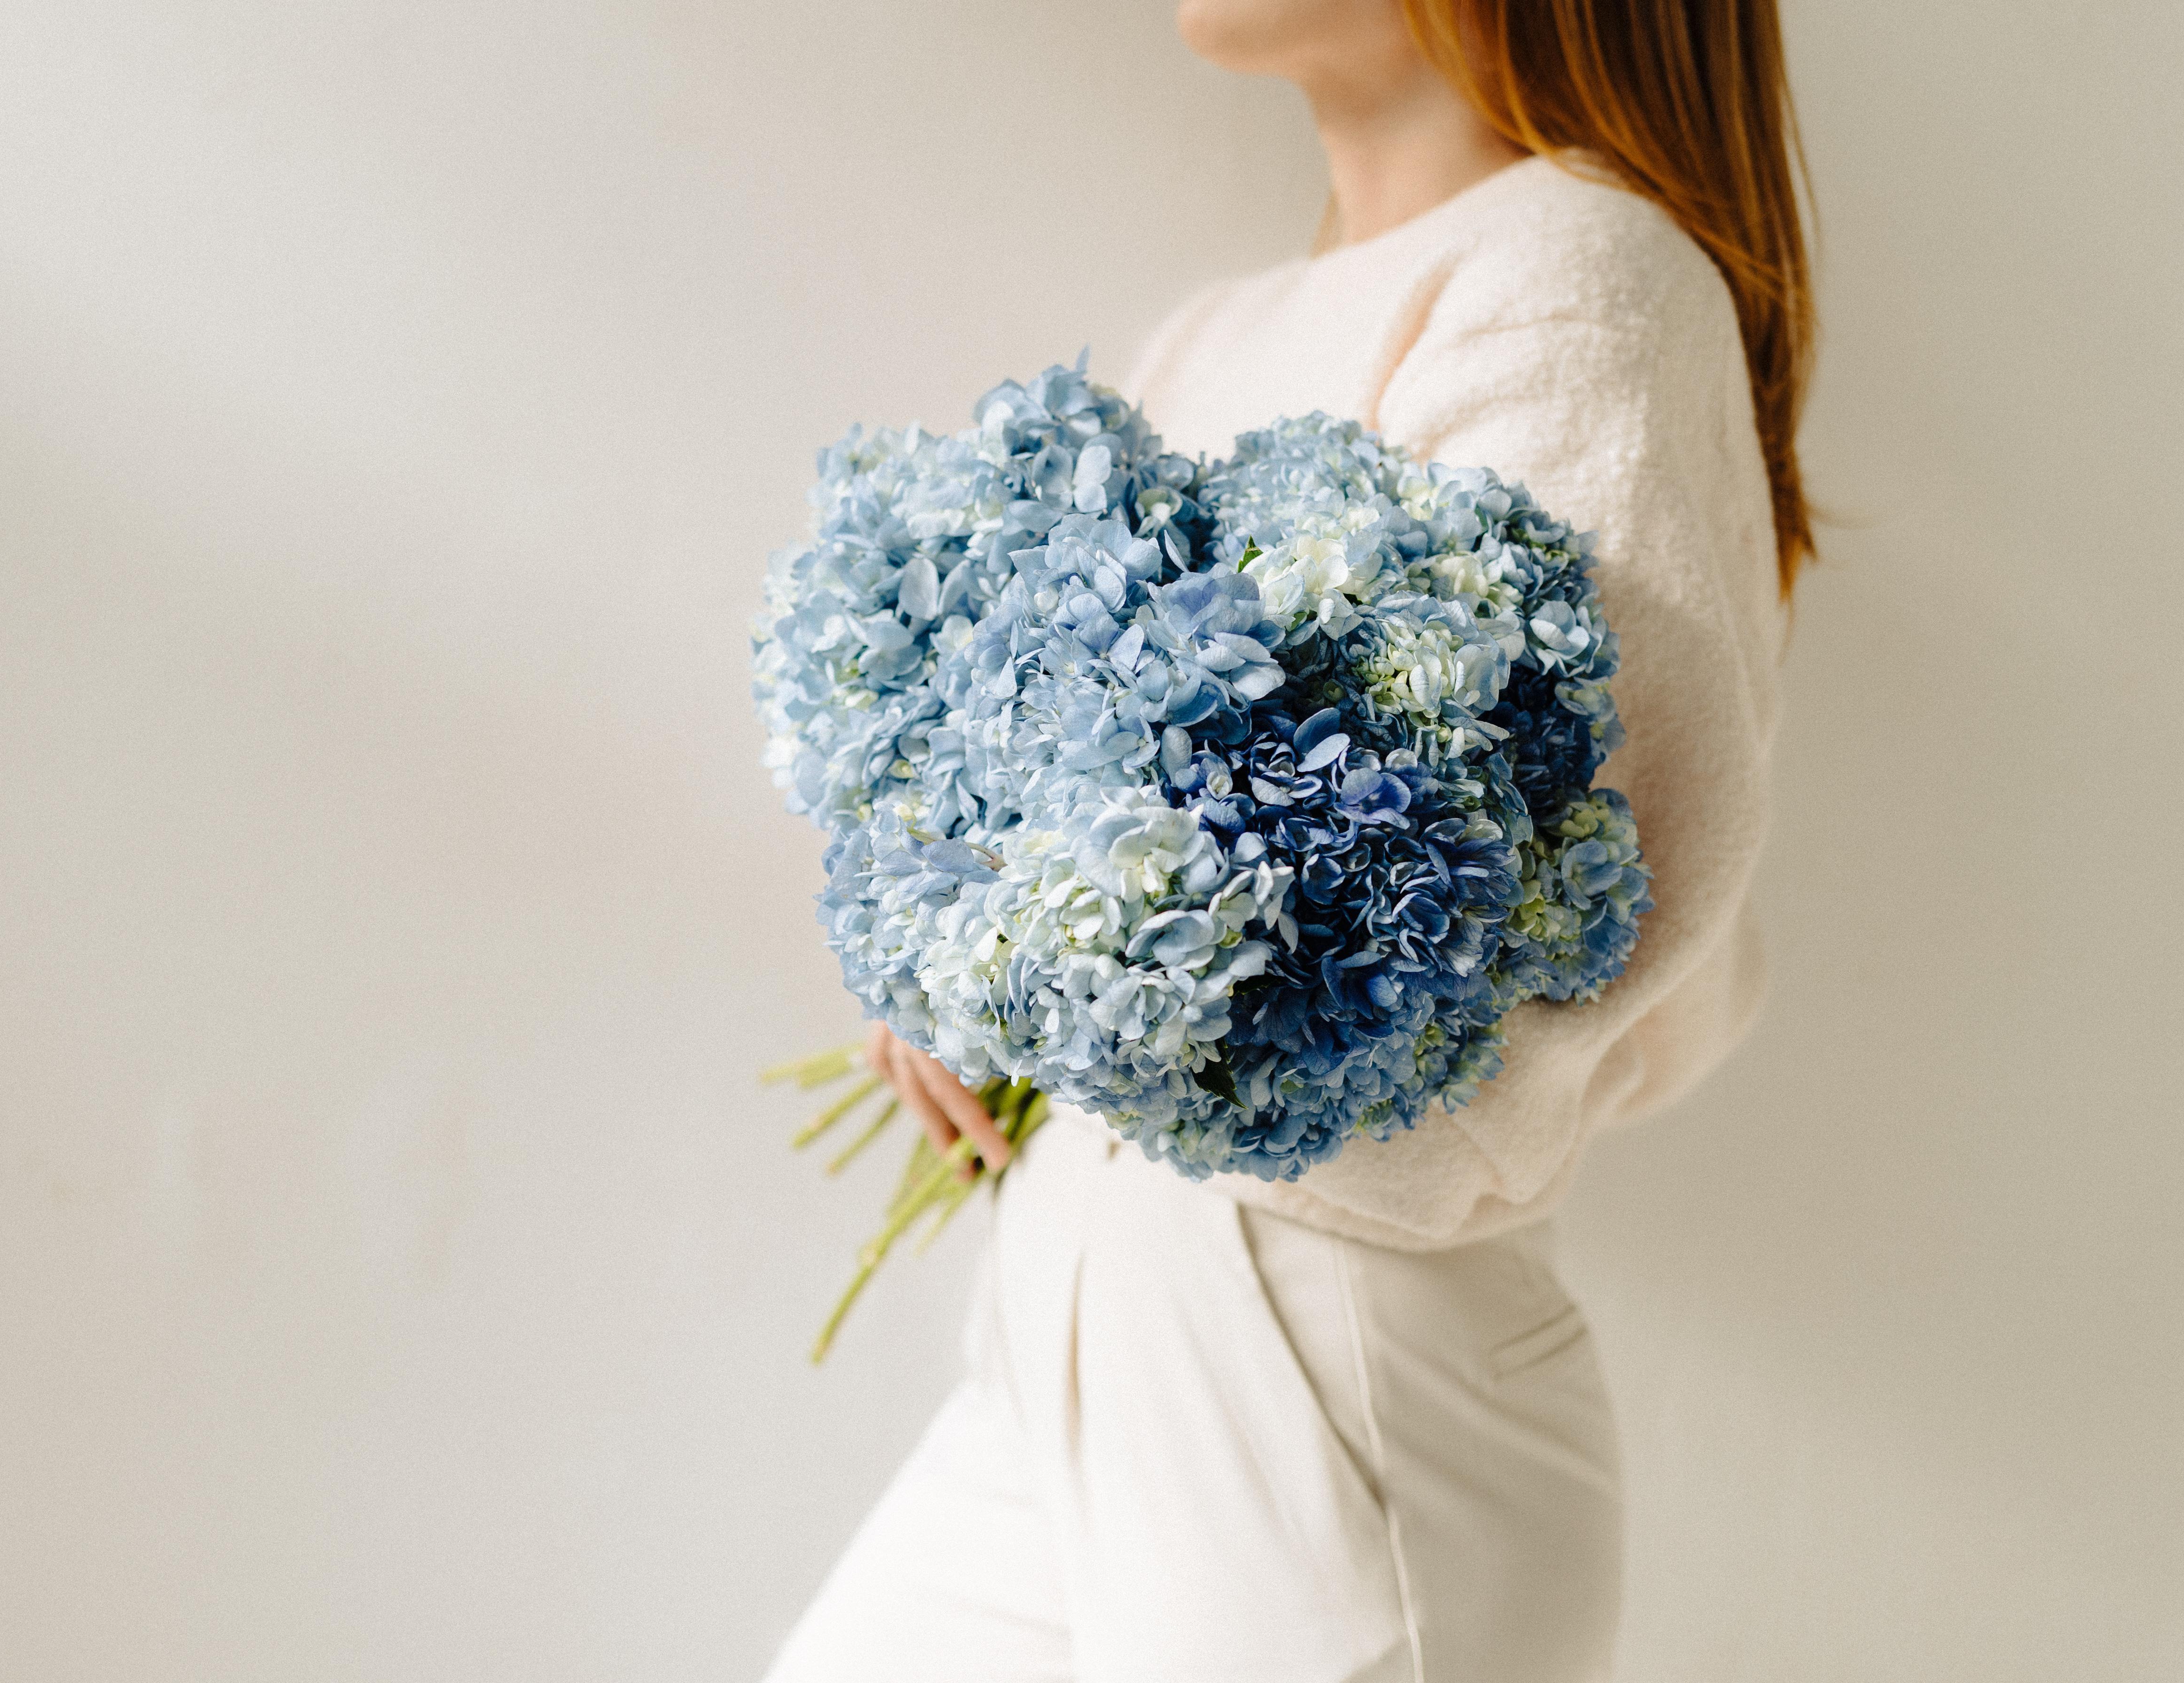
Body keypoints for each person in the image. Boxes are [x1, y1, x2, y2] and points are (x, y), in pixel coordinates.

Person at [766, 1, 1813, 1676]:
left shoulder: (1583, 274)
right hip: (1093, 1301)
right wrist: (967, 944)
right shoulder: (1212, 335)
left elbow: (1547, 917)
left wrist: (1065, 966)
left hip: (1321, 1349)